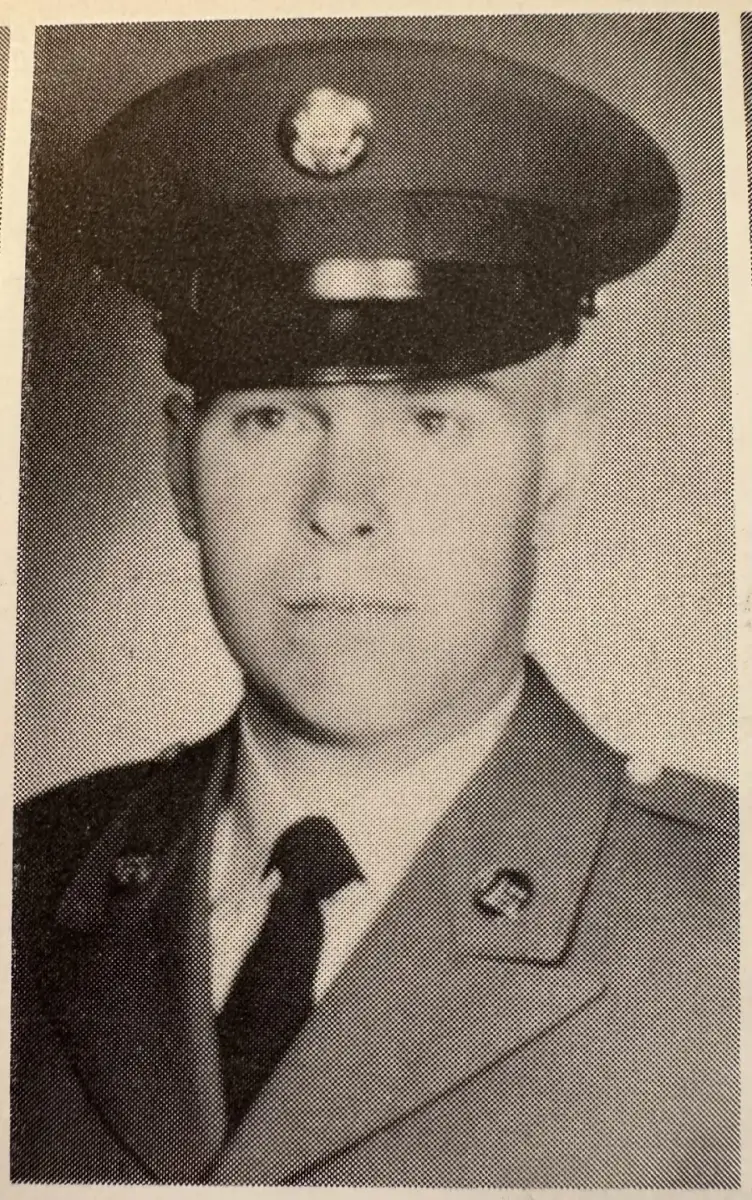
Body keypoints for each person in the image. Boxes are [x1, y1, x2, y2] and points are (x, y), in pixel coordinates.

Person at [11, 35, 737, 1187]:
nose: (340, 505)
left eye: (430, 420)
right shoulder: (27, 885)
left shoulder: (722, 936)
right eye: (270, 419)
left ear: (556, 470)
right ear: (179, 469)